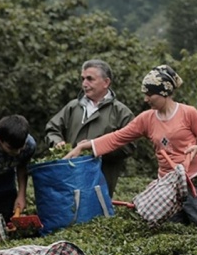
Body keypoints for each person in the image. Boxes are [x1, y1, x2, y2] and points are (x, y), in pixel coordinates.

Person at [64, 64, 197, 228]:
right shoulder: (147, 119)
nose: (146, 99)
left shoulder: (188, 113)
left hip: (194, 177)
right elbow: (118, 137)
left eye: (150, 94)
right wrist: (84, 146)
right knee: (171, 228)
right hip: (168, 183)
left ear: (163, 92)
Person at [44, 59, 135, 198]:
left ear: (106, 82)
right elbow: (52, 129)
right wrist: (57, 143)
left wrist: (95, 147)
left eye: (90, 79)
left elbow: (129, 145)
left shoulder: (121, 112)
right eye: (83, 79)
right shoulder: (73, 107)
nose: (84, 84)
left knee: (95, 215)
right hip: (69, 179)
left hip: (101, 182)